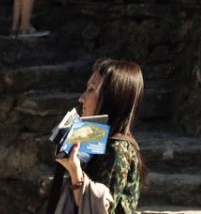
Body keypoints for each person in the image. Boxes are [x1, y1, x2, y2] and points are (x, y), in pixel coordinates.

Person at [46, 59, 146, 214]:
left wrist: (75, 173)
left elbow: (99, 209)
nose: (81, 98)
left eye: (91, 89)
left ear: (112, 97)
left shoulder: (117, 150)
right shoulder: (97, 138)